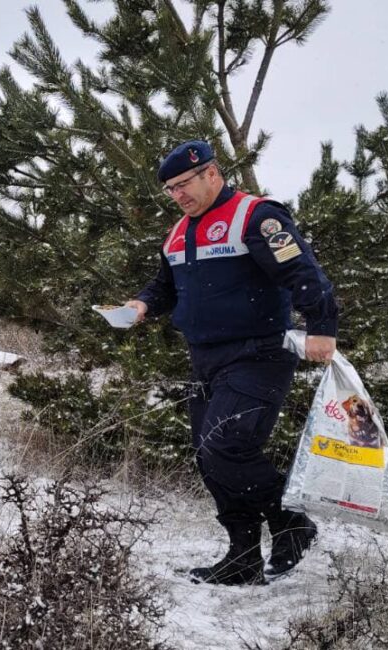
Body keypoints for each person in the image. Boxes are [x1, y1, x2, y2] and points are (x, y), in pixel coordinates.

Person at [125, 140, 338, 586]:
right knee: (209, 456)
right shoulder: (179, 231)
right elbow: (165, 286)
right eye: (170, 189)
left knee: (227, 445)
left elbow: (302, 271)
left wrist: (322, 325)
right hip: (204, 358)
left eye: (184, 184)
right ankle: (242, 557)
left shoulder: (256, 216)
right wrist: (141, 306)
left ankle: (292, 520)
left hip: (258, 353)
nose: (178, 195)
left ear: (212, 173)